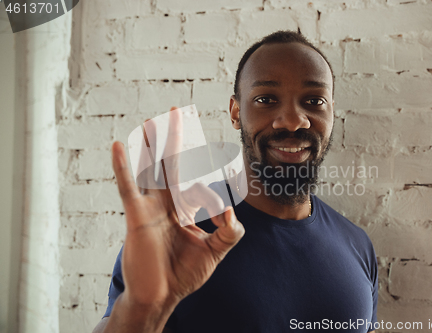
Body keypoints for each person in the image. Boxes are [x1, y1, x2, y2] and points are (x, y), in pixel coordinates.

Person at [93, 30, 378, 333]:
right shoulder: (180, 233)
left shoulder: (357, 246)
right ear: (236, 113)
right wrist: (142, 309)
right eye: (266, 99)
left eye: (314, 100)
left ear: (333, 113)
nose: (293, 120)